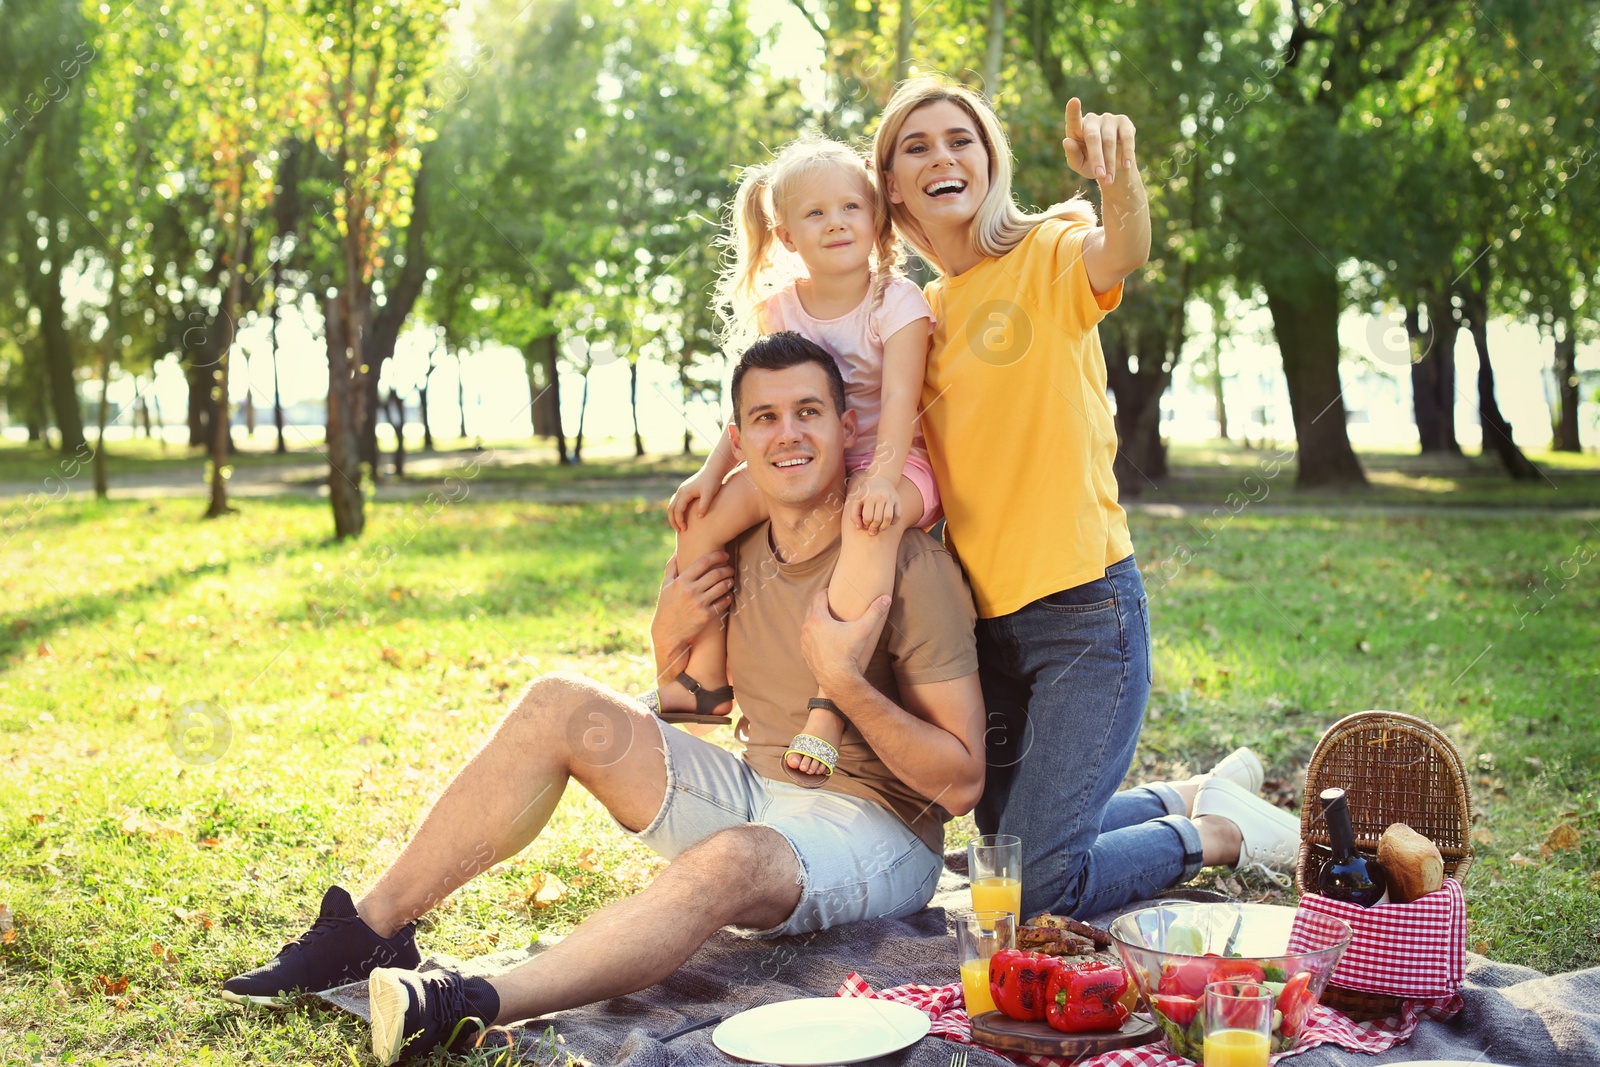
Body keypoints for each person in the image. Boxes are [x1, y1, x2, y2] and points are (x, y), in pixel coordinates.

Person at [220, 334, 988, 1063]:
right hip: (763, 791)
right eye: (766, 417)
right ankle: (371, 930)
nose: (788, 434)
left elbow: (961, 781)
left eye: (808, 412)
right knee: (560, 701)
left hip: (880, 829)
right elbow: (703, 705)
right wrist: (667, 640)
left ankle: (468, 1001)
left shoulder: (908, 566)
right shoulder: (739, 548)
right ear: (739, 439)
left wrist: (847, 682)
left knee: (734, 858)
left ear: (847, 424)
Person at [870, 77, 1302, 919]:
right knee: (1000, 861)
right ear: (891, 182)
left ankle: (1218, 835)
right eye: (915, 146)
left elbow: (1123, 249)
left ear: (989, 159)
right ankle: (1185, 795)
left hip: (1083, 619)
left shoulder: (1048, 249)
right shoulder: (919, 313)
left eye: (960, 138)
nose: (942, 157)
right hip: (985, 633)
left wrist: (1119, 174)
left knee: (1026, 896)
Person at [658, 137, 942, 788]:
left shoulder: (896, 302)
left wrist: (878, 476)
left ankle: (830, 702)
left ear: (876, 218)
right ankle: (704, 674)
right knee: (702, 517)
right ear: (786, 236)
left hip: (891, 458)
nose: (836, 221)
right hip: (807, 459)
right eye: (815, 214)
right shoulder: (780, 308)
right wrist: (710, 472)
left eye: (851, 206)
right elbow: (762, 401)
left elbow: (900, 397)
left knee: (869, 524)